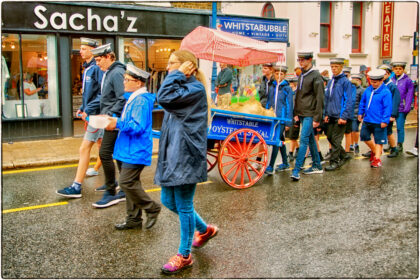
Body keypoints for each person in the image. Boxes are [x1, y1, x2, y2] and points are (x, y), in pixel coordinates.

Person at [155, 50, 218, 274]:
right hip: (171, 154)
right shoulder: (182, 87)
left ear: (188, 67)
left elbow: (162, 97)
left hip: (186, 154)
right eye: (169, 64)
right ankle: (205, 229)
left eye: (174, 64)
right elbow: (165, 97)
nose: (169, 67)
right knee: (168, 201)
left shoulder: (194, 89)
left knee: (183, 205)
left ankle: (184, 255)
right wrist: (177, 75)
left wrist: (177, 74)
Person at [104, 64, 161, 230]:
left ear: (138, 83)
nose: (124, 82)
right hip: (127, 149)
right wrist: (114, 123)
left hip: (135, 150)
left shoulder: (141, 101)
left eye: (127, 80)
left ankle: (152, 208)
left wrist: (117, 123)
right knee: (130, 183)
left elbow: (137, 126)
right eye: (124, 79)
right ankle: (133, 220)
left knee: (126, 182)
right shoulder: (134, 98)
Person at [56, 38, 104, 198]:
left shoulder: (96, 68)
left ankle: (76, 186)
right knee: (104, 147)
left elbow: (101, 94)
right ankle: (115, 182)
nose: (80, 51)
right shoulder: (88, 68)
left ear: (92, 50)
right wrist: (82, 108)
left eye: (84, 48)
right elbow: (88, 94)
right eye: (80, 48)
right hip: (92, 113)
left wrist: (88, 110)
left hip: (97, 115)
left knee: (85, 148)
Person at [91, 43, 127, 208]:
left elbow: (122, 97)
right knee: (117, 155)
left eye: (99, 60)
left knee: (105, 153)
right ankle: (120, 187)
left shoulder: (116, 72)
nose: (97, 63)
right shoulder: (110, 72)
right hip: (110, 120)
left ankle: (112, 191)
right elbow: (107, 97)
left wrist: (111, 115)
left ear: (109, 57)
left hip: (114, 121)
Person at [291, 51, 324, 181]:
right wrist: (296, 113)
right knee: (310, 140)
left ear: (310, 60)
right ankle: (317, 165)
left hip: (310, 113)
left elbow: (320, 97)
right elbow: (299, 95)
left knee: (303, 139)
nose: (301, 62)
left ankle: (296, 169)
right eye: (299, 60)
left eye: (303, 60)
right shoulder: (302, 74)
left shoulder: (316, 75)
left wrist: (317, 117)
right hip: (302, 113)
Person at [358, 69, 392, 168]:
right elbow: (363, 102)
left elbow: (387, 107)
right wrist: (361, 113)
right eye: (372, 82)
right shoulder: (368, 90)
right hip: (368, 119)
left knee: (379, 140)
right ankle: (374, 151)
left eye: (375, 82)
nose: (373, 84)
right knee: (364, 136)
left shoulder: (386, 92)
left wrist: (385, 120)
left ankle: (377, 159)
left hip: (379, 121)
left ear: (381, 80)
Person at [323, 58, 353, 171]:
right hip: (330, 115)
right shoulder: (331, 81)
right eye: (332, 67)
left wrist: (344, 116)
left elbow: (348, 100)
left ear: (341, 67)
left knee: (336, 139)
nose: (334, 69)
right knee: (330, 137)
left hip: (340, 116)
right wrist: (326, 114)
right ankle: (344, 155)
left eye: (336, 66)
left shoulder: (345, 82)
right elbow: (327, 99)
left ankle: (335, 162)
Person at [264, 64, 293, 174]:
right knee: (280, 140)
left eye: (281, 74)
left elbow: (289, 105)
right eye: (276, 74)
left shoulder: (287, 88)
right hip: (273, 118)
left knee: (276, 141)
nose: (278, 76)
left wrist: (287, 122)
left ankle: (271, 166)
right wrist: (266, 114)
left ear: (284, 75)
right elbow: (268, 102)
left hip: (281, 119)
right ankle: (285, 162)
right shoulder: (272, 87)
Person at [391, 61, 415, 153]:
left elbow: (409, 94)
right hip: (392, 107)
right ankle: (391, 144)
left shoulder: (407, 80)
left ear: (403, 70)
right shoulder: (392, 79)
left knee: (400, 127)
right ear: (393, 69)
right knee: (389, 127)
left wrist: (407, 106)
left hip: (401, 107)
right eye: (396, 69)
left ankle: (400, 144)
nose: (398, 71)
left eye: (400, 69)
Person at [378, 64, 401, 158]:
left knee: (388, 131)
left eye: (384, 74)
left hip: (387, 113)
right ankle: (374, 150)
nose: (382, 76)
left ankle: (394, 148)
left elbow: (395, 101)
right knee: (376, 131)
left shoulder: (392, 86)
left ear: (388, 74)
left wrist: (393, 115)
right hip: (379, 113)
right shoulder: (380, 85)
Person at [350, 74, 365, 155]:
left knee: (355, 130)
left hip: (356, 114)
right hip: (349, 113)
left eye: (357, 80)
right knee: (350, 130)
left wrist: (361, 114)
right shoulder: (349, 89)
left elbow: (363, 103)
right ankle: (351, 144)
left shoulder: (361, 90)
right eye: (353, 79)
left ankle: (356, 144)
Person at [287, 76, 300, 162]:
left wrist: (297, 116)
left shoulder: (298, 94)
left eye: (292, 84)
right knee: (291, 135)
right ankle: (298, 148)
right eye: (290, 83)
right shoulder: (290, 93)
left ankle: (291, 153)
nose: (291, 85)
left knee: (293, 136)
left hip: (296, 116)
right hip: (290, 116)